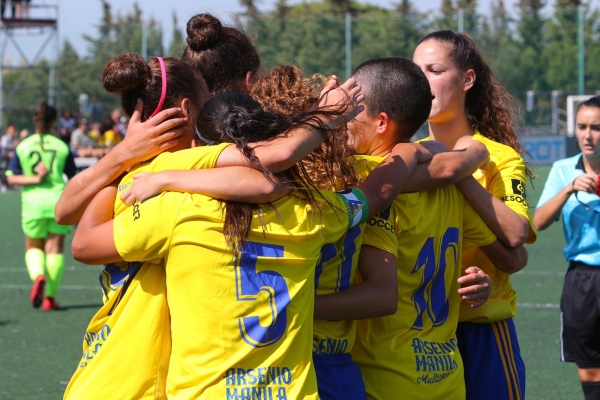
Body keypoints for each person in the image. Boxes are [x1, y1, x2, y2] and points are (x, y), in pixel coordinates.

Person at [413, 30, 537, 400]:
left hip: (481, 328)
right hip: (421, 333)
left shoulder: (499, 158)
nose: (424, 82)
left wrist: (458, 169)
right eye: (417, 72)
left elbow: (516, 237)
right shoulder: (407, 156)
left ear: (467, 79)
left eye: (434, 70)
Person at [533, 96, 600, 400]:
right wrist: (569, 188)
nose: (588, 135)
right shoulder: (563, 170)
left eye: (596, 127)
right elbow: (539, 221)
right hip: (582, 279)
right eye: (582, 126)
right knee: (589, 366)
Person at [5, 102, 76, 311]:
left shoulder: (23, 146)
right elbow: (74, 179)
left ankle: (38, 276)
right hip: (57, 202)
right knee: (54, 250)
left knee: (33, 247)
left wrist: (36, 179)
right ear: (54, 122)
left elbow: (11, 179)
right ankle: (49, 299)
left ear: (35, 121)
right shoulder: (62, 146)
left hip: (33, 204)